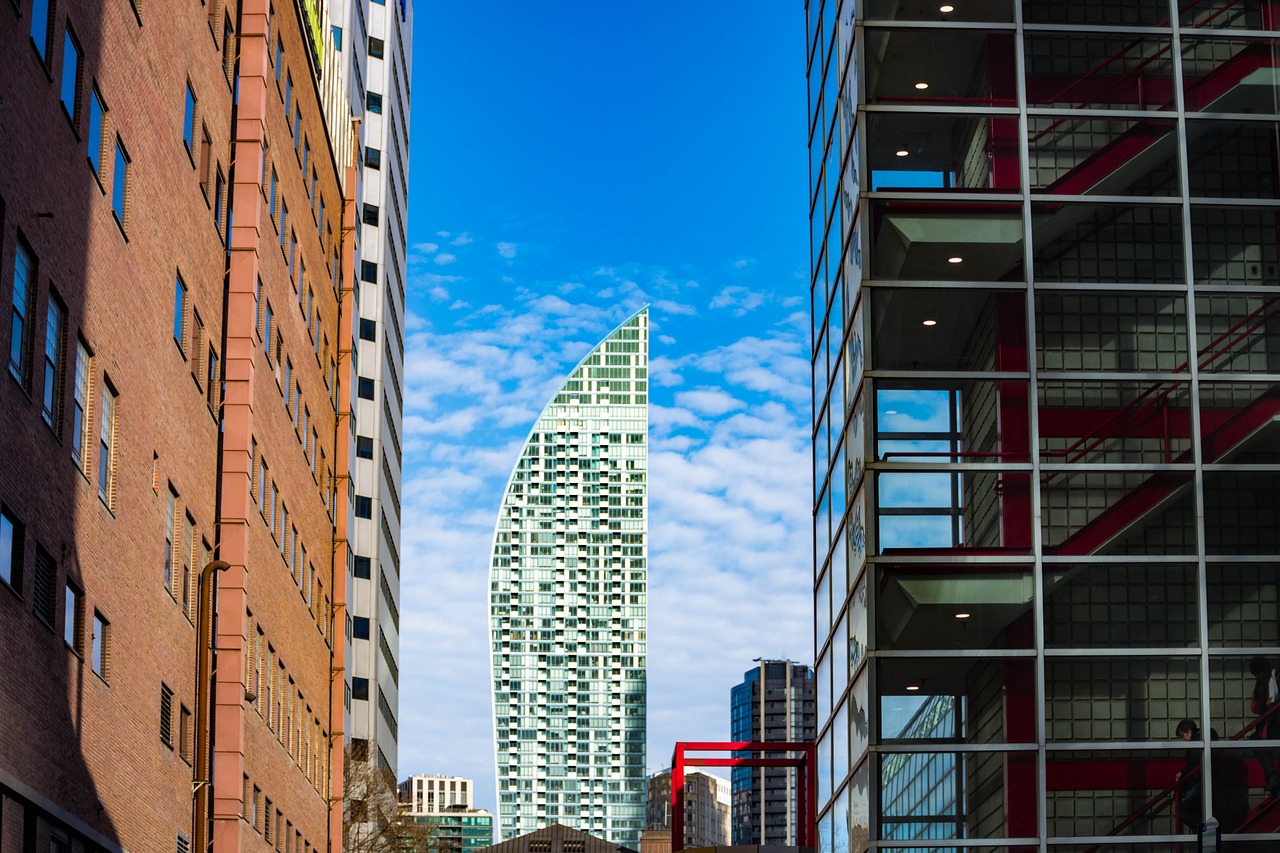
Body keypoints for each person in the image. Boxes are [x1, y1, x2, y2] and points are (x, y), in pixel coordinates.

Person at [1248, 656, 1280, 796]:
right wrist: (1264, 705)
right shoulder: (1260, 686)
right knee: (1255, 743)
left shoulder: (1276, 679)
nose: (1259, 677)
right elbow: (1254, 706)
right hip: (1267, 725)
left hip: (1276, 723)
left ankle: (1273, 778)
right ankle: (1272, 776)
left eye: (1259, 673)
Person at [1176, 718, 1204, 830]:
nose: (1183, 739)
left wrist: (1183, 772)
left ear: (1188, 731)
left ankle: (1202, 831)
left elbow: (1195, 760)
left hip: (1201, 781)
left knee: (1184, 811)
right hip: (1202, 779)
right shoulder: (1202, 737)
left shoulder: (1197, 742)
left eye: (1183, 735)